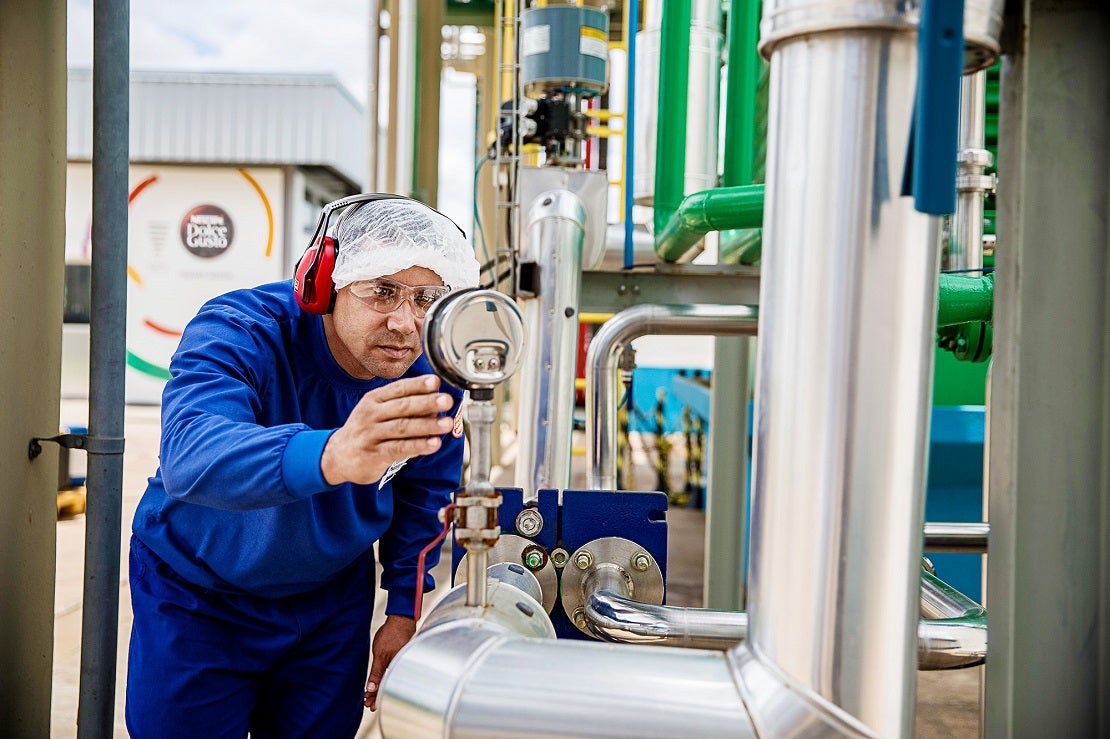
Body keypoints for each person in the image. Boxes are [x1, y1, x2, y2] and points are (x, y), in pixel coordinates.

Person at [125, 194, 480, 738]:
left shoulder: (432, 367)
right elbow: (190, 454)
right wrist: (332, 453)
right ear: (322, 282)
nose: (406, 323)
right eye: (383, 291)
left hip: (330, 603)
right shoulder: (239, 331)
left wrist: (403, 610)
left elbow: (424, 495)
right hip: (199, 594)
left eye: (428, 299)